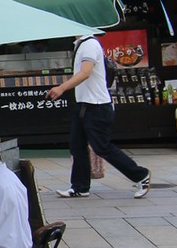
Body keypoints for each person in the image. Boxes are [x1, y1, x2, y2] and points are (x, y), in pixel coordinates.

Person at [46, 32, 150, 199]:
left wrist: (62, 88)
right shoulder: (80, 44)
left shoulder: (90, 44)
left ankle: (140, 175)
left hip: (97, 106)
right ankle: (80, 187)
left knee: (102, 147)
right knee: (77, 146)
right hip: (84, 104)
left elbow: (85, 72)